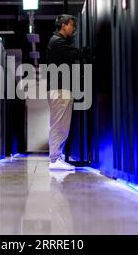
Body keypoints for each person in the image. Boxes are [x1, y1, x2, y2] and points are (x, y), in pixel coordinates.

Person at [46, 14, 90, 171]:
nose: (74, 29)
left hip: (61, 89)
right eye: (72, 25)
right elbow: (77, 54)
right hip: (59, 90)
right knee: (58, 125)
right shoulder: (57, 42)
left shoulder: (58, 41)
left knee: (62, 126)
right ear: (63, 25)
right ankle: (54, 160)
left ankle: (56, 158)